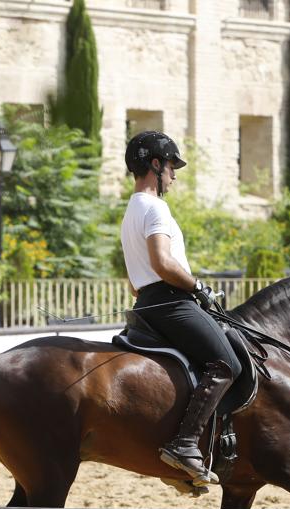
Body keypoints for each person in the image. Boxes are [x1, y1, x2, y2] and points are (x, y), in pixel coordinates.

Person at [120, 131, 241, 487]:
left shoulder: (131, 210)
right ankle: (186, 444)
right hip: (170, 301)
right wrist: (197, 286)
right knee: (226, 363)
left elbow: (133, 279)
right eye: (171, 166)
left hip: (147, 301)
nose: (173, 175)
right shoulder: (155, 207)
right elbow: (162, 262)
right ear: (155, 165)